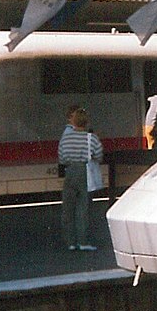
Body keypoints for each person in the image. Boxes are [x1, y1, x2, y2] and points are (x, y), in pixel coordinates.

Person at [57, 107, 103, 251]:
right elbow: (99, 155)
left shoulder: (66, 137)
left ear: (73, 121)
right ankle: (83, 241)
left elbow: (61, 156)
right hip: (85, 172)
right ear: (86, 122)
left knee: (68, 207)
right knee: (83, 207)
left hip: (70, 171)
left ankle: (70, 242)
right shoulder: (92, 138)